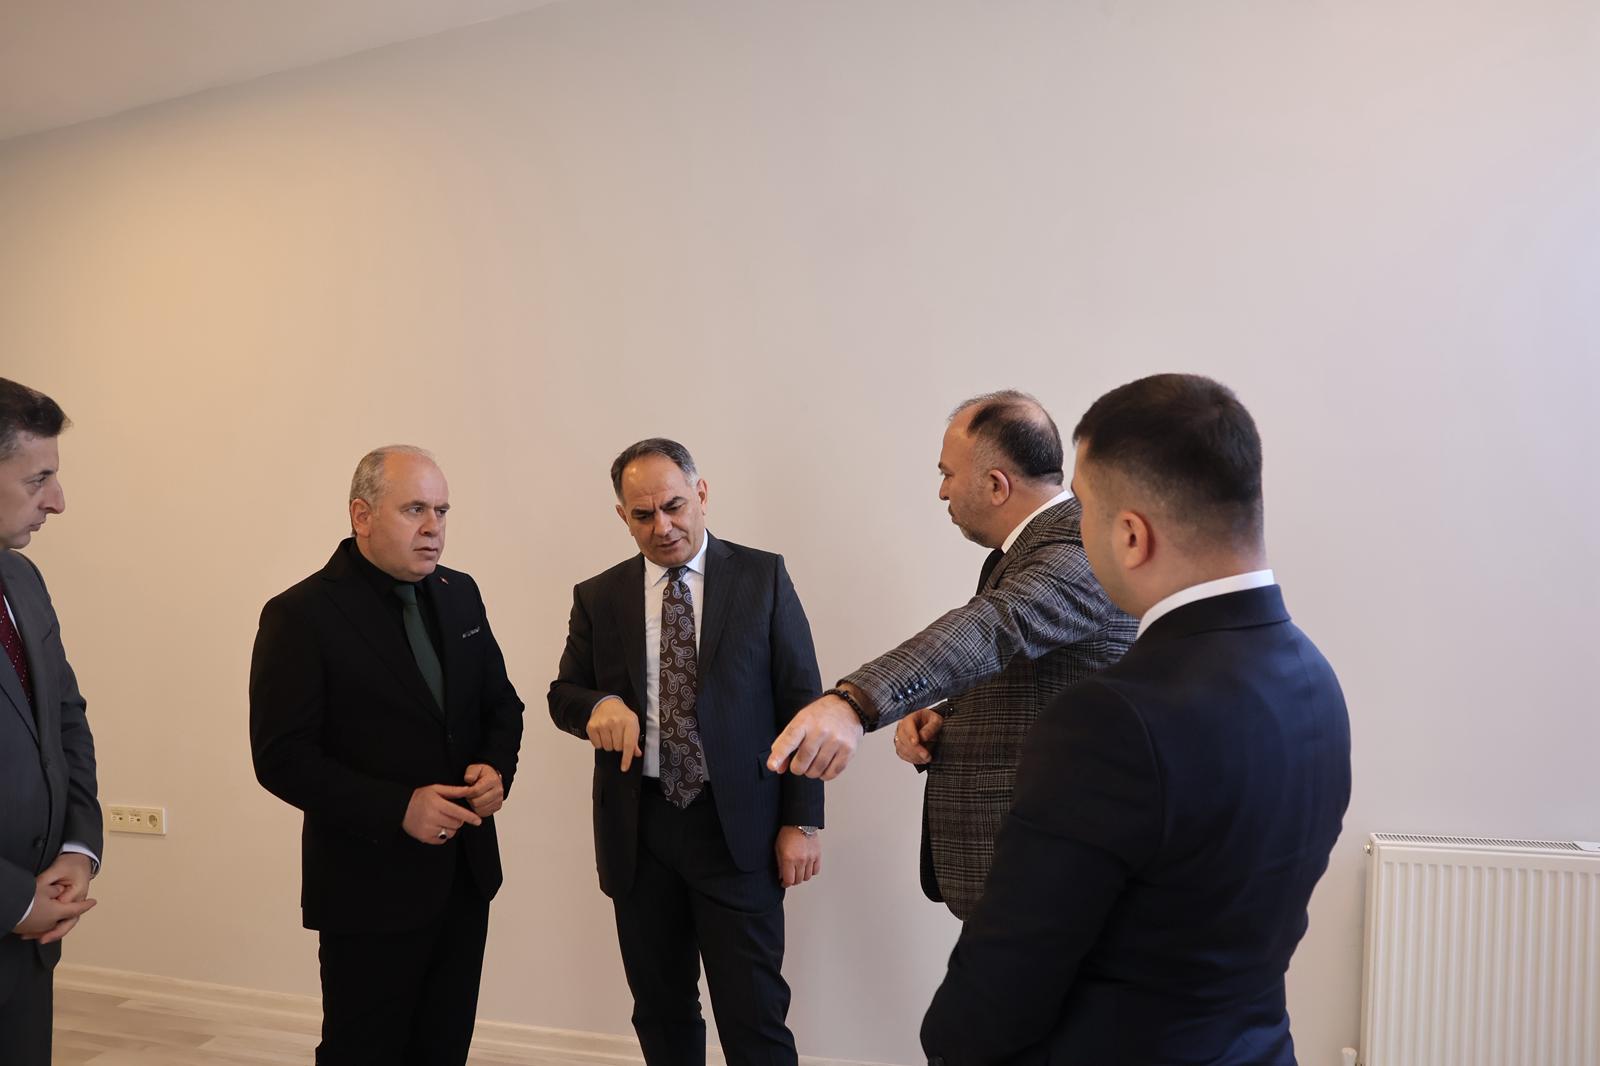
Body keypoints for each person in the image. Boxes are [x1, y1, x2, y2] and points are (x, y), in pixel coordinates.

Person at [920, 374, 1352, 1065]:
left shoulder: (1109, 718)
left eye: (1082, 508)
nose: (1075, 528)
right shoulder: (1314, 679)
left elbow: (1001, 986)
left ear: (1129, 534)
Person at [768, 390, 1134, 919]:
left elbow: (994, 627)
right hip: (1029, 877)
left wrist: (854, 703)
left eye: (948, 474)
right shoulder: (1035, 550)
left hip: (1055, 878)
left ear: (996, 484)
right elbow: (1036, 672)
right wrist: (948, 715)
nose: (942, 491)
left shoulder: (1079, 552)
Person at [549, 438, 823, 1066]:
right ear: (622, 516)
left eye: (673, 506)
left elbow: (802, 702)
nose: (663, 527)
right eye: (643, 515)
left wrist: (802, 820)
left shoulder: (762, 577)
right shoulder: (599, 596)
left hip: (738, 829)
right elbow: (563, 694)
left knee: (754, 1014)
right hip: (639, 830)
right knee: (661, 1010)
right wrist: (597, 705)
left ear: (701, 494)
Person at [250, 445, 524, 1066]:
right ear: (362, 515)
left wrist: (495, 768)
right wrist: (398, 807)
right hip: (366, 888)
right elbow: (281, 756)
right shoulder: (300, 614)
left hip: (464, 877)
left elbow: (501, 706)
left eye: (442, 511)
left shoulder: (460, 593)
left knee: (444, 1047)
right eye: (414, 510)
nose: (434, 528)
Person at [0, 378, 102, 1066]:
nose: (57, 501)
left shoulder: (23, 581)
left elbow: (66, 723)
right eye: (39, 479)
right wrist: (11, 900)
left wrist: (77, 848)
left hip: (29, 955)